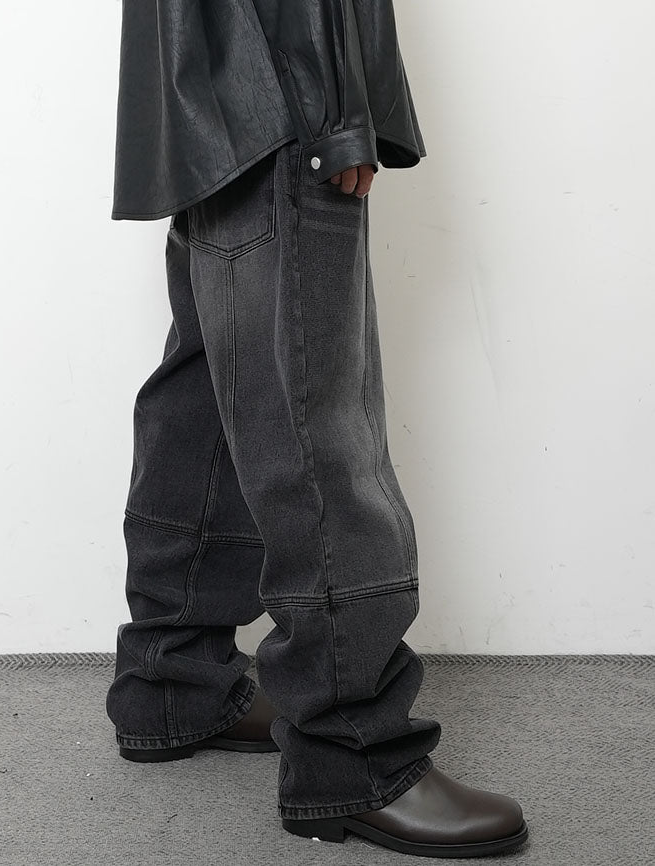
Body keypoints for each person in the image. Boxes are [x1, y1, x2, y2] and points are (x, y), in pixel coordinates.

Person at [104, 1, 529, 857]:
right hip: (286, 95)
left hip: (209, 99)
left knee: (208, 389)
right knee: (316, 420)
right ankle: (353, 752)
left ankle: (174, 677)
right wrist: (335, 111)